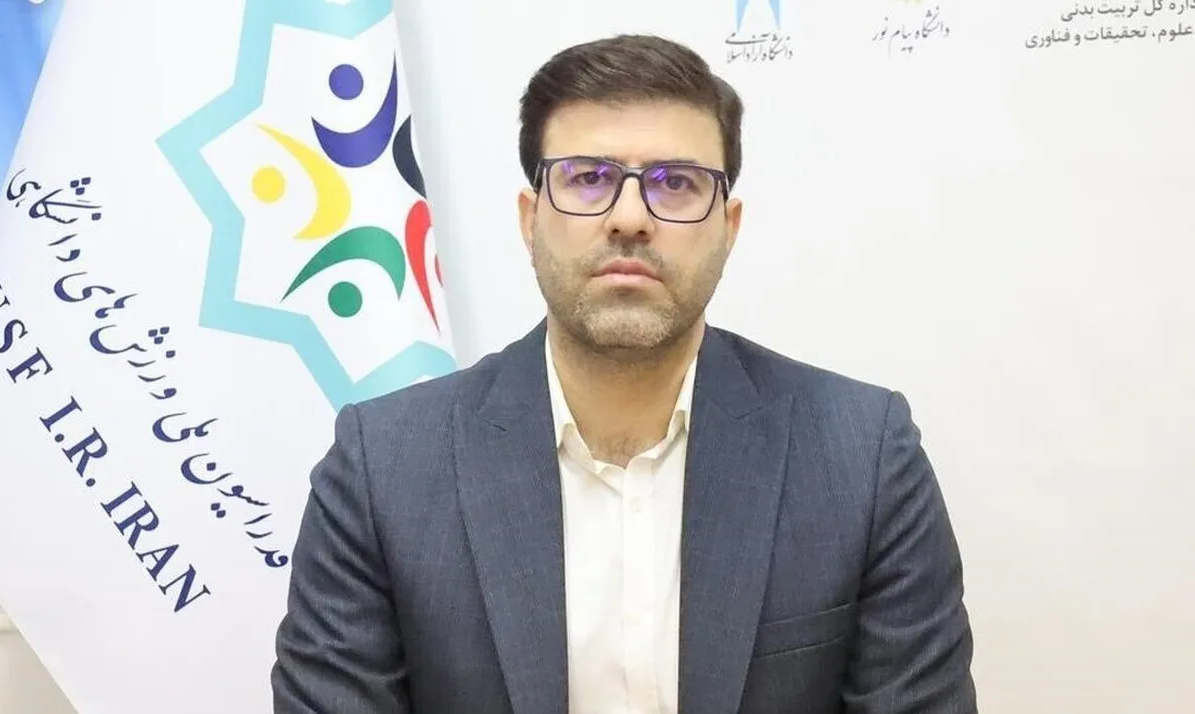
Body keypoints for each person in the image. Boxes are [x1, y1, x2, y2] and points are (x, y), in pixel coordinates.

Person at [271, 33, 977, 714]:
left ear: (728, 227)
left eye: (677, 184)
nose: (631, 217)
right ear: (530, 220)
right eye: (589, 178)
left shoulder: (863, 458)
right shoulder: (382, 470)